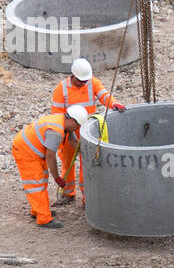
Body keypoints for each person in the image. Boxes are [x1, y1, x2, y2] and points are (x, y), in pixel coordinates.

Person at [51, 58, 125, 201]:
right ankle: (68, 193)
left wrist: (114, 103)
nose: (84, 83)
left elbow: (104, 95)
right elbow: (57, 115)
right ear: (73, 75)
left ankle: (88, 196)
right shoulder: (62, 88)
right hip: (69, 132)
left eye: (85, 81)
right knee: (68, 161)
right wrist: (69, 133)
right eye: (80, 81)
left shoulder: (92, 82)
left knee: (88, 163)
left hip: (87, 130)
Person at [11, 105, 90, 227]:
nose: (78, 128)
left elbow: (74, 142)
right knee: (36, 184)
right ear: (72, 121)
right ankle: (44, 219)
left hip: (33, 150)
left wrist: (89, 154)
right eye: (78, 125)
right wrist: (57, 177)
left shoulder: (64, 123)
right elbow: (50, 157)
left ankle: (38, 210)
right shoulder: (56, 132)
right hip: (26, 151)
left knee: (41, 181)